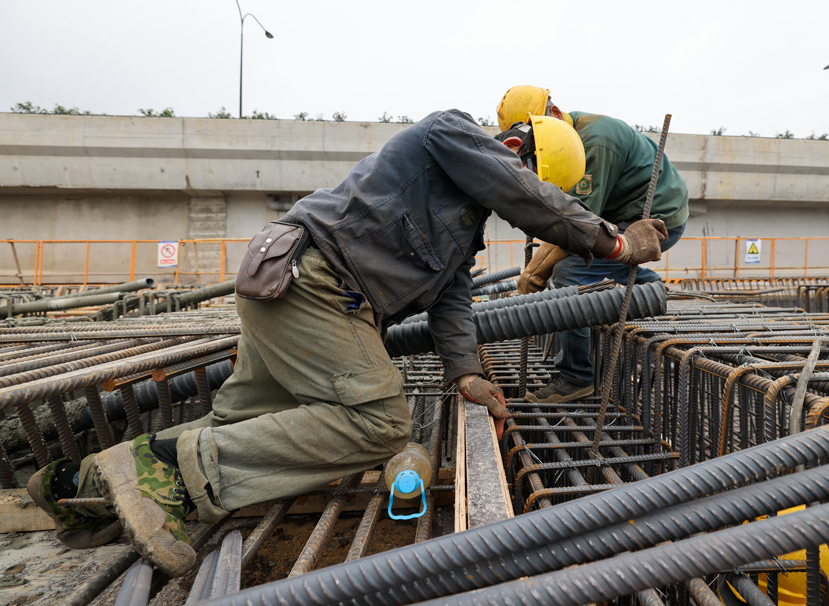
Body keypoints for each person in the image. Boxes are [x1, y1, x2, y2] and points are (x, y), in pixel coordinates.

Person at [28, 109, 669, 576]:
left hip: (299, 290)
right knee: (378, 424)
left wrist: (466, 372)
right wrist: (614, 242)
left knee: (252, 423)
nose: (514, 186)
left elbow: (451, 298)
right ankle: (162, 470)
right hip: (314, 283)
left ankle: (76, 489)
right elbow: (525, 195)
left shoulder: (463, 222)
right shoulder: (450, 132)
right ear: (513, 149)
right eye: (524, 172)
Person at [496, 85, 689, 404]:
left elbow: (578, 227)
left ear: (554, 115)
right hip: (616, 217)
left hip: (651, 221)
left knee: (571, 270)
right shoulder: (566, 141)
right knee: (580, 269)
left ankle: (576, 378)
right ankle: (649, 290)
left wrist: (534, 274)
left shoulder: (593, 143)